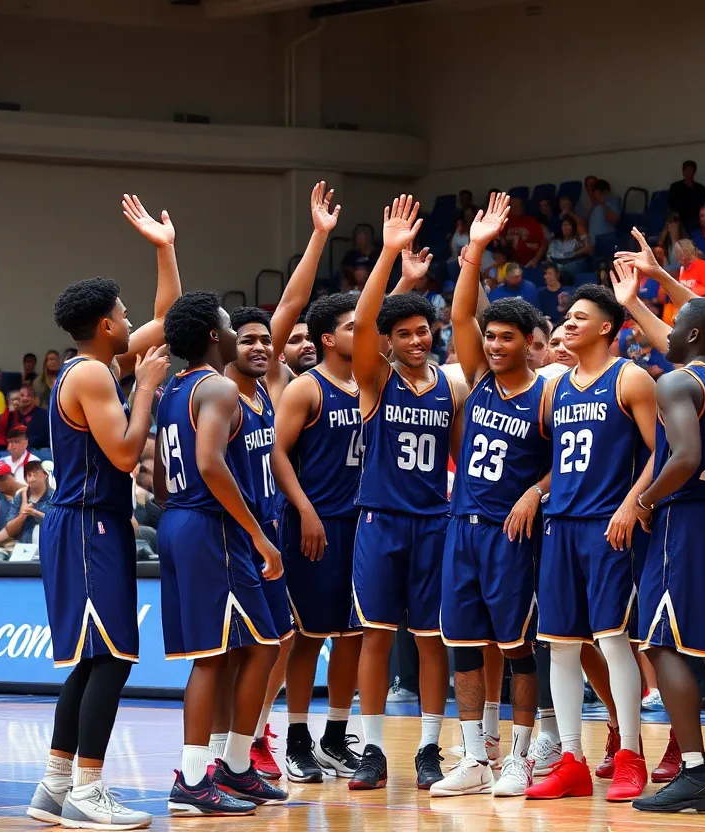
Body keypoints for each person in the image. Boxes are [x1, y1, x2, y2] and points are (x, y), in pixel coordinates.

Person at [27, 192, 180, 831]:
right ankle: (89, 791)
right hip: (89, 522)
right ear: (107, 325)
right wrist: (145, 389)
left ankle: (54, 787)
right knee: (112, 659)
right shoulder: (93, 377)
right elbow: (122, 455)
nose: (129, 317)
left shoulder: (94, 364)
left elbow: (168, 318)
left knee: (94, 660)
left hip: (90, 523)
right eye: (122, 312)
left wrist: (164, 248)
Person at [215, 184, 338, 781]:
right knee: (244, 647)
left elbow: (292, 307)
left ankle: (253, 740)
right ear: (224, 348)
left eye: (269, 340)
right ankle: (232, 749)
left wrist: (318, 236)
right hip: (237, 531)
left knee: (280, 640)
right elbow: (288, 307)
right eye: (251, 340)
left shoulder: (271, 385)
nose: (265, 345)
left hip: (274, 526)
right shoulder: (220, 391)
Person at [614, 291, 705, 813]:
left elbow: (687, 456)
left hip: (687, 520)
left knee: (659, 644)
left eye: (674, 327)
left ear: (693, 335)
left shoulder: (676, 381)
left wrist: (645, 500)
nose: (666, 335)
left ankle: (693, 771)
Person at [430, 193, 550, 798]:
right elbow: (458, 319)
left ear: (530, 341)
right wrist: (474, 250)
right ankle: (475, 756)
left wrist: (535, 491)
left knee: (518, 648)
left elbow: (566, 466)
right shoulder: (476, 381)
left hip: (512, 533)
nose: (495, 345)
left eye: (507, 337)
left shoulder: (547, 395)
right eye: (491, 337)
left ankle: (521, 757)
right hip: (463, 527)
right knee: (464, 646)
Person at [348, 195, 465, 791]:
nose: (417, 340)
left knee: (429, 639)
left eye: (424, 330)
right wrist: (391, 256)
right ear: (389, 341)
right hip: (381, 520)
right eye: (406, 333)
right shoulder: (374, 381)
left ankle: (427, 748)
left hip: (435, 521)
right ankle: (371, 749)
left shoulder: (451, 385)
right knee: (375, 634)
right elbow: (365, 320)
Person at [154, 291, 287, 815]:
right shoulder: (220, 388)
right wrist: (255, 533)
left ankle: (232, 766)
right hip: (213, 527)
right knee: (230, 653)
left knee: (246, 647)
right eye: (231, 324)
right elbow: (210, 463)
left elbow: (164, 479)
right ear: (214, 334)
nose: (237, 331)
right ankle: (194, 778)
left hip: (179, 520)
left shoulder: (174, 389)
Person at [524, 278, 657, 804]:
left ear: (606, 327)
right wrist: (537, 493)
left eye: (579, 317)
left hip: (608, 525)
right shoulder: (556, 387)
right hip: (561, 524)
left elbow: (660, 452)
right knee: (560, 645)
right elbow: (560, 463)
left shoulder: (631, 378)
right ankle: (573, 760)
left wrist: (633, 503)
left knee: (613, 640)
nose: (568, 324)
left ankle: (630, 754)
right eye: (566, 317)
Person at [273, 292, 365, 782]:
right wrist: (305, 509)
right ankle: (295, 739)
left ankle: (334, 736)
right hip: (316, 524)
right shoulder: (306, 389)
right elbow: (279, 456)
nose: (362, 332)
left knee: (354, 636)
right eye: (353, 327)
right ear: (329, 338)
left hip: (363, 525)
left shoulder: (371, 383)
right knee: (309, 637)